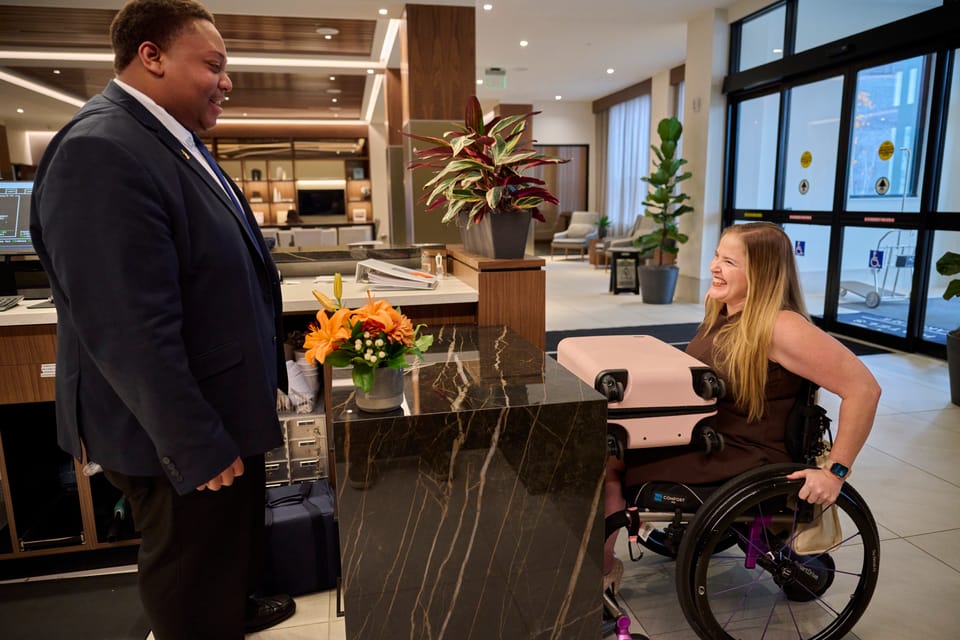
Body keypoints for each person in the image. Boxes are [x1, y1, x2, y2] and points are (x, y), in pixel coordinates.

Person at [30, 1, 294, 637]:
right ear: (151, 56)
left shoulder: (170, 142)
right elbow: (127, 327)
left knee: (225, 548)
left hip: (220, 402)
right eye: (213, 65)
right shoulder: (101, 150)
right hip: (175, 427)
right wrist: (194, 439)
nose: (226, 81)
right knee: (189, 568)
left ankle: (232, 608)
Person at [602, 222, 881, 593]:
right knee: (605, 440)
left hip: (744, 454)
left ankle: (601, 571)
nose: (714, 266)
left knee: (607, 460)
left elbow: (864, 389)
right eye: (718, 255)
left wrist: (835, 473)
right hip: (708, 438)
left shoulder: (781, 327)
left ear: (761, 274)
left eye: (729, 261)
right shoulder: (725, 311)